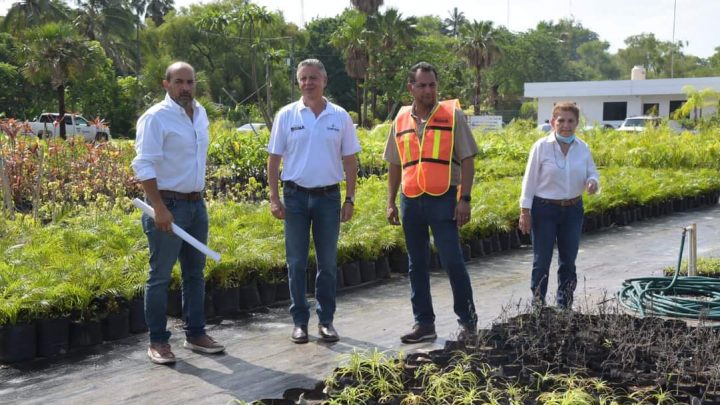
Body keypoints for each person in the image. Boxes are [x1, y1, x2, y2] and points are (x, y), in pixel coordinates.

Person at [132, 61, 225, 364]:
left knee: (195, 274)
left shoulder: (200, 115)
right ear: (166, 84)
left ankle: (196, 333)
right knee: (160, 276)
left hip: (196, 205)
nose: (185, 87)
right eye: (179, 82)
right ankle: (158, 341)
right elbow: (143, 164)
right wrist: (158, 207)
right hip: (167, 205)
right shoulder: (155, 118)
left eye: (190, 82)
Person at [267, 58, 360, 344]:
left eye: (313, 78)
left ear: (324, 80)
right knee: (295, 263)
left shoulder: (340, 116)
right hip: (294, 197)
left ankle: (326, 321)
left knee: (327, 263)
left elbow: (350, 160)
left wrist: (350, 199)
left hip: (328, 198)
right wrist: (274, 197)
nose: (308, 83)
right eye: (303, 78)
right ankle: (299, 322)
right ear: (298, 82)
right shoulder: (287, 115)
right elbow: (273, 159)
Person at [384, 61, 478, 344]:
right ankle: (424, 324)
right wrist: (390, 202)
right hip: (411, 200)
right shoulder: (400, 119)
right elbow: (394, 164)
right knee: (416, 264)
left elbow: (468, 159)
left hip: (444, 199)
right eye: (422, 85)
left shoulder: (452, 115)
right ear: (411, 88)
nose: (428, 90)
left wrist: (465, 199)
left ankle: (468, 322)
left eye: (433, 85)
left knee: (452, 261)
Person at [518, 102, 600, 309]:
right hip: (544, 209)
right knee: (542, 261)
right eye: (561, 120)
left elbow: (592, 172)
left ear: (577, 123)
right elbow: (529, 181)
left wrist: (592, 182)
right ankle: (538, 306)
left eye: (570, 121)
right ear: (552, 122)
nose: (565, 125)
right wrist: (525, 211)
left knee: (568, 261)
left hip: (572, 210)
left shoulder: (583, 148)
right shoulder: (541, 147)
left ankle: (564, 305)